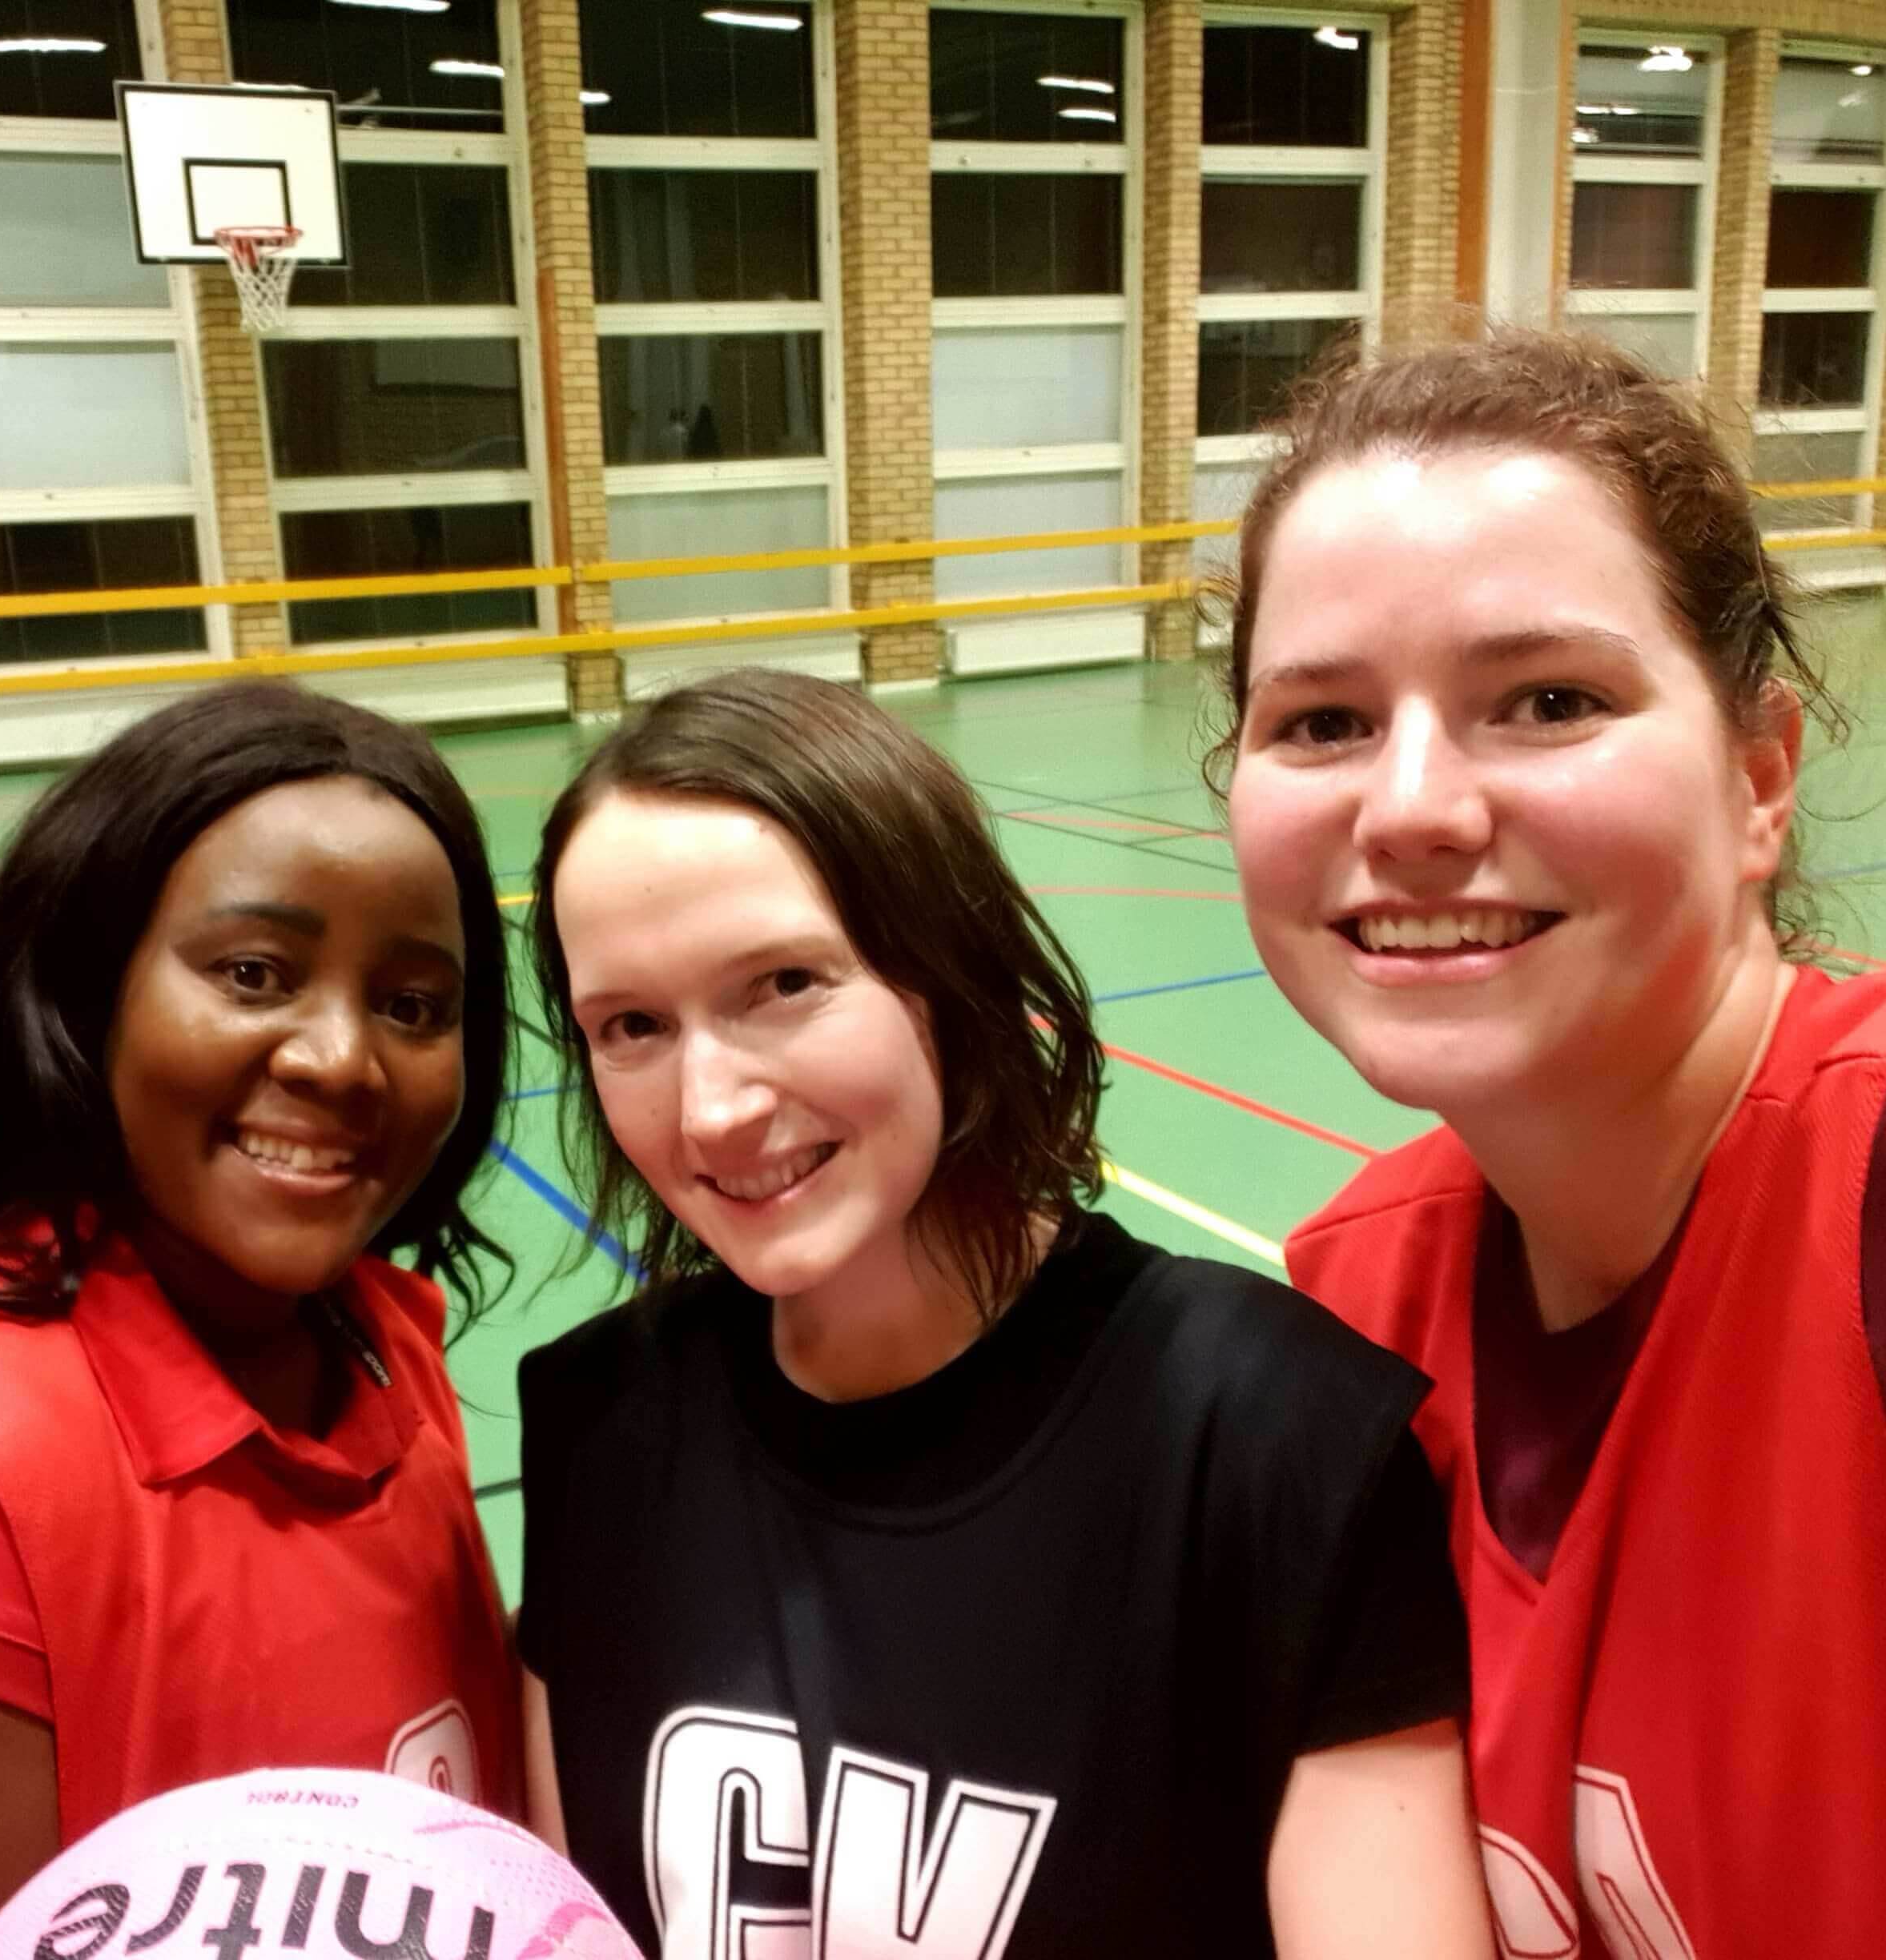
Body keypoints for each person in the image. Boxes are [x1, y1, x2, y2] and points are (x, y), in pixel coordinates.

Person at [517, 669, 1494, 1958]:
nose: (709, 1110)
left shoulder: (1269, 1438)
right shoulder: (600, 1420)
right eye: (631, 1025)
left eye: (786, 984)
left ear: (951, 969)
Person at [1221, 328, 1886, 1954]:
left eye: (1548, 700)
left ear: (1757, 778)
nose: (1416, 808)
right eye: (1321, 724)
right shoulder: (1353, 1298)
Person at [0, 682, 523, 1960]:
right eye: (254, 974)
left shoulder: (379, 1338)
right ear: (83, 995)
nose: (343, 1059)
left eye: (414, 1005)